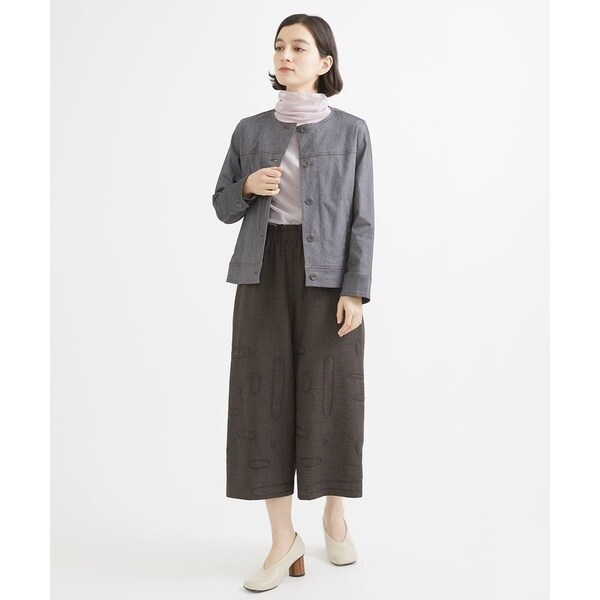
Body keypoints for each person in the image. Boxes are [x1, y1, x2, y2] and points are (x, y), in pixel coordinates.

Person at [212, 13, 375, 592]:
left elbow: (363, 218)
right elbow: (222, 205)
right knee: (263, 400)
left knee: (332, 395)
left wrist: (355, 288)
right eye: (279, 46)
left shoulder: (352, 132)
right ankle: (284, 541)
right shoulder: (249, 130)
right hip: (262, 273)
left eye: (299, 47)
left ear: (324, 62)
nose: (285, 55)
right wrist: (245, 188)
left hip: (328, 276)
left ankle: (334, 514)